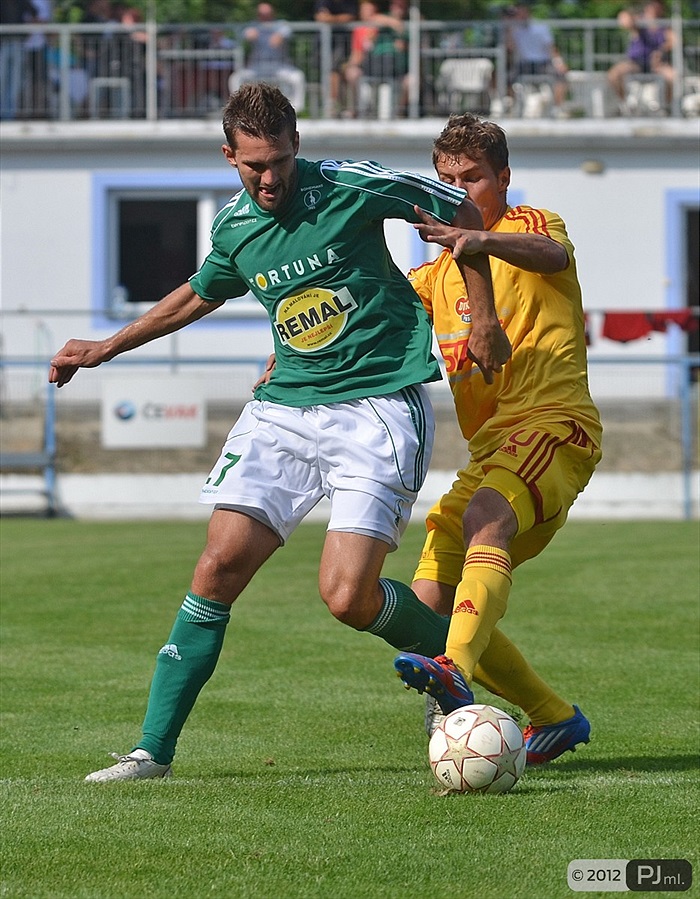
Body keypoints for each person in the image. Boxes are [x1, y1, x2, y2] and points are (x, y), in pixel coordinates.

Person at [48, 82, 510, 782]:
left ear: (297, 146)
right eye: (253, 165)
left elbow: (464, 210)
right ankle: (152, 752)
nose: (269, 179)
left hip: (377, 403)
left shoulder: (352, 186)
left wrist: (483, 317)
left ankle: (452, 665)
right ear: (230, 155)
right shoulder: (234, 226)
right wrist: (107, 346)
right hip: (285, 407)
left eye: (280, 162)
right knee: (217, 564)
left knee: (346, 596)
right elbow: (201, 291)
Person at [392, 112, 603, 766]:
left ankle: (453, 671)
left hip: (554, 423)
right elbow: (368, 320)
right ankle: (553, 715)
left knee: (483, 519)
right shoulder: (430, 281)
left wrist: (478, 240)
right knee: (433, 581)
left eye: (473, 178)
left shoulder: (528, 225)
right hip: (492, 451)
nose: (460, 190)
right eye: (447, 179)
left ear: (503, 178)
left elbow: (555, 257)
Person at [229, 2, 306, 112]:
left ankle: (296, 110)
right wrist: (249, 35)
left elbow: (287, 31)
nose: (265, 16)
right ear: (258, 15)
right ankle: (238, 108)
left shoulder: (280, 25)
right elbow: (244, 33)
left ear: (273, 14)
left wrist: (280, 36)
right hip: (257, 66)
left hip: (279, 65)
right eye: (262, 14)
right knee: (236, 78)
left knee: (298, 77)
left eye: (267, 14)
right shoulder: (254, 26)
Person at [343, 0, 410, 117]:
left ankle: (400, 113)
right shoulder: (381, 20)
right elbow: (360, 51)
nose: (398, 9)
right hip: (373, 68)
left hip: (397, 70)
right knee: (352, 73)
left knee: (409, 82)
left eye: (402, 6)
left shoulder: (411, 21)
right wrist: (393, 22)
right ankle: (356, 111)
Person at [607, 1, 675, 112]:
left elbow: (675, 41)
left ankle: (666, 107)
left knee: (673, 76)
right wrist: (628, 19)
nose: (654, 7)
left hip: (657, 64)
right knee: (614, 75)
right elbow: (624, 20)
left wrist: (661, 51)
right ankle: (625, 104)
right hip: (636, 63)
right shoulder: (639, 20)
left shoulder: (665, 25)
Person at [506, 2, 568, 115]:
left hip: (542, 62)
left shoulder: (540, 27)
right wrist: (509, 27)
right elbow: (510, 48)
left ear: (527, 12)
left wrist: (559, 62)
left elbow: (550, 47)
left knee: (561, 77)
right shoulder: (514, 30)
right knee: (507, 79)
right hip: (525, 63)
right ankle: (514, 108)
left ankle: (557, 108)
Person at [313, 0, 357, 117]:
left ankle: (334, 106)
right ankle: (333, 105)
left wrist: (330, 19)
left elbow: (350, 17)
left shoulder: (349, 4)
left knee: (336, 71)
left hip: (342, 44)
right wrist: (338, 19)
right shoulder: (323, 1)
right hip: (325, 44)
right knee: (332, 72)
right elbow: (321, 17)